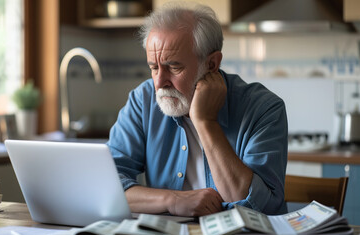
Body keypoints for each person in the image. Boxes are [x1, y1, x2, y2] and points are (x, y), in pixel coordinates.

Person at [107, 2, 288, 217]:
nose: (159, 82)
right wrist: (172, 200)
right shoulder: (143, 100)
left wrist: (205, 122)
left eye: (174, 67)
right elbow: (106, 184)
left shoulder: (264, 109)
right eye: (154, 68)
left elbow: (257, 209)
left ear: (212, 64)